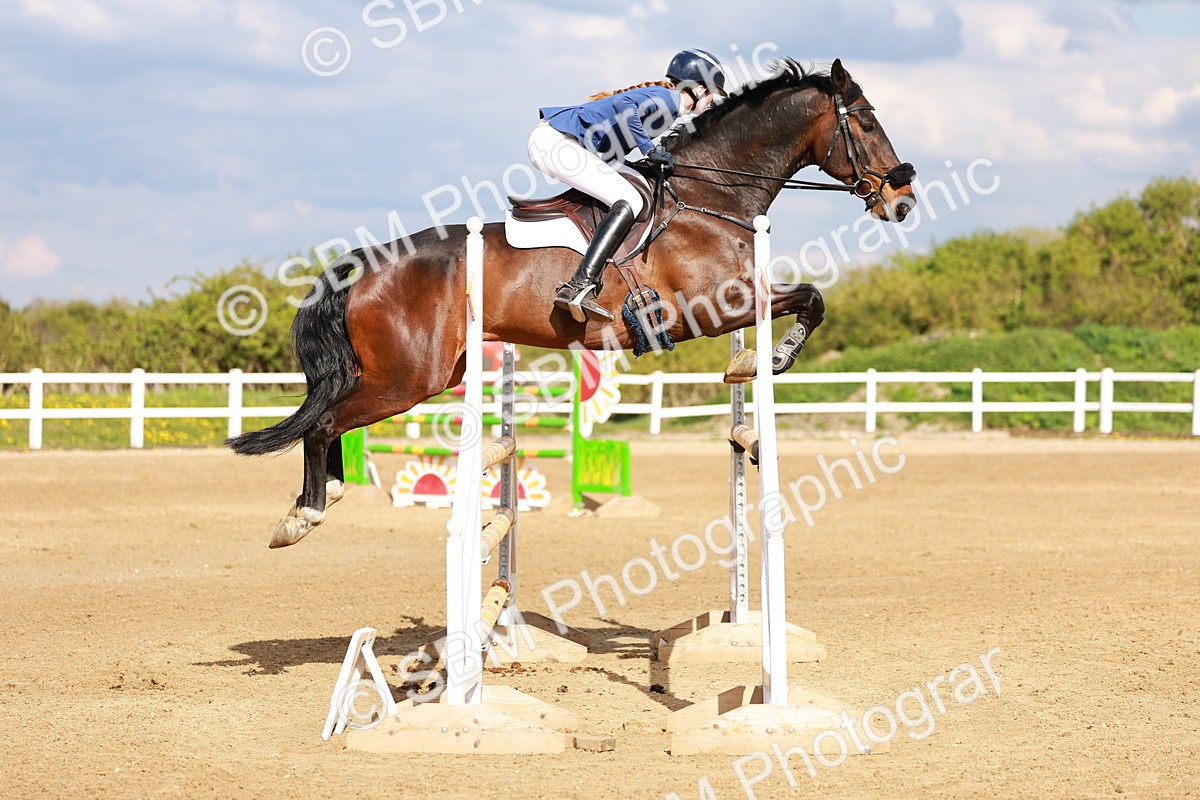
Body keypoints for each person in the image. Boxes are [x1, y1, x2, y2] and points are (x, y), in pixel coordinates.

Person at [530, 48, 727, 322]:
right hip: (556, 143)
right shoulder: (667, 100)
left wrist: (648, 163)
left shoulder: (667, 108)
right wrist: (649, 150)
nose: (710, 103)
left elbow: (614, 145)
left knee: (635, 186)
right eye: (712, 96)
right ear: (699, 89)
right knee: (631, 200)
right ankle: (580, 284)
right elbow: (625, 107)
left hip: (567, 143)